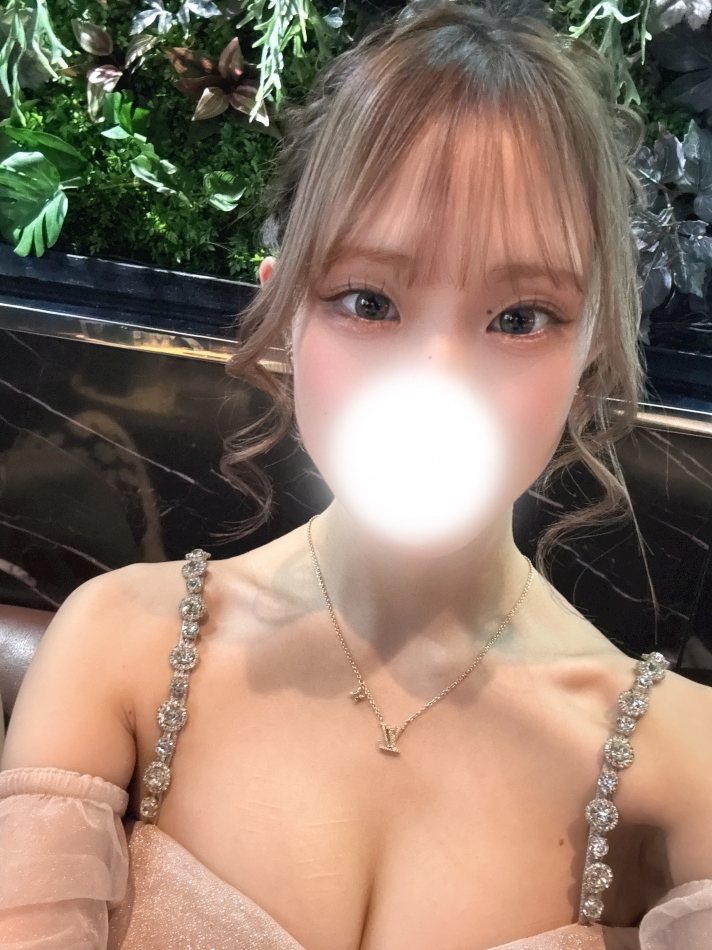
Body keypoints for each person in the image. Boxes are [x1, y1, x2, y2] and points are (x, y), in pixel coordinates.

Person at [1, 1, 711, 947]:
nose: (437, 378)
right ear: (285, 309)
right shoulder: (122, 645)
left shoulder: (683, 763)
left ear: (593, 353)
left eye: (520, 318)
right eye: (368, 300)